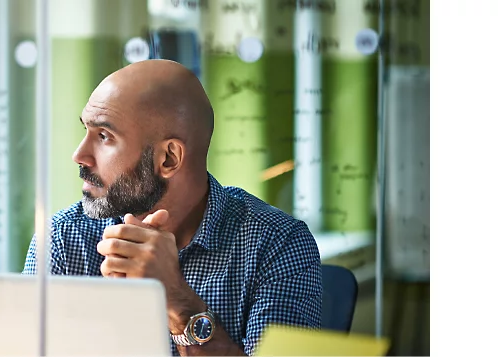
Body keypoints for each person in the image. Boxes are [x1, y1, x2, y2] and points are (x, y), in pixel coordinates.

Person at [22, 59, 323, 356]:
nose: (79, 154)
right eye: (86, 131)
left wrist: (176, 300)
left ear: (168, 159)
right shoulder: (62, 239)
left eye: (104, 136)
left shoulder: (278, 244)